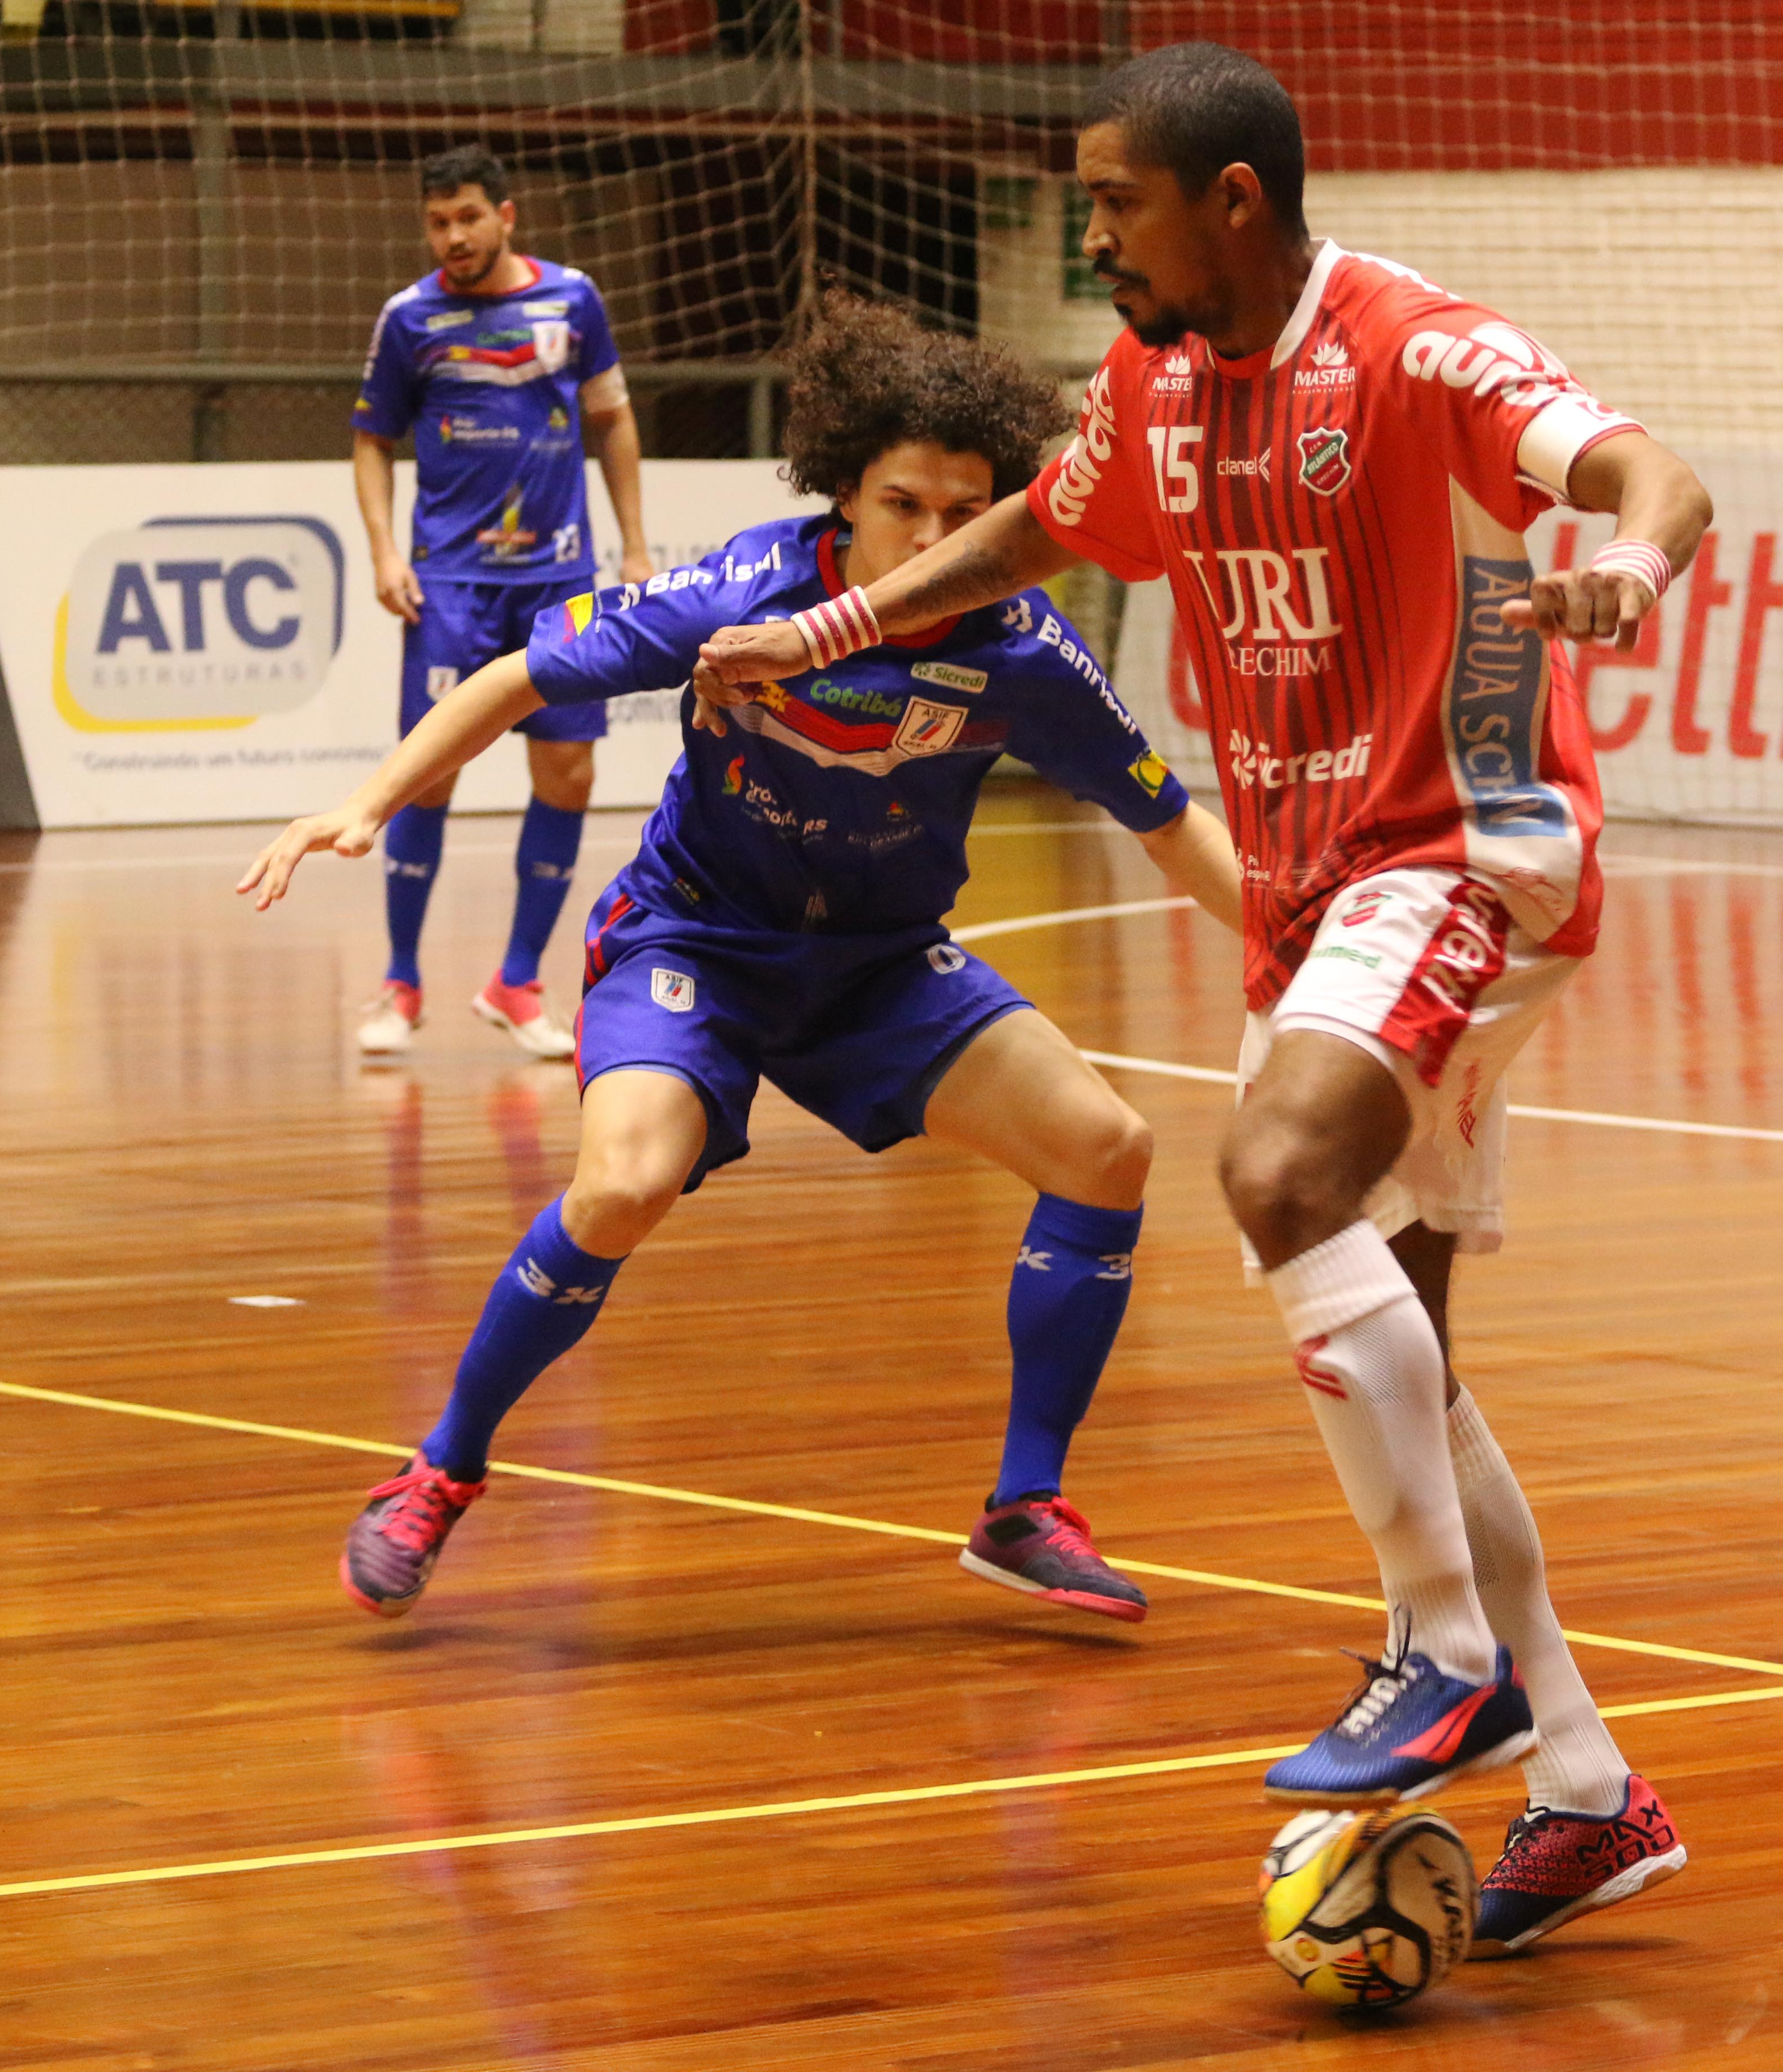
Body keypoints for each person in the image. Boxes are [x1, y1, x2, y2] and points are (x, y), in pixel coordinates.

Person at [696, 43, 1714, 1957]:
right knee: (1406, 1349)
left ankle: (1447, 1655)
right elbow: (1042, 526)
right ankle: (1588, 1789)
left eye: (1116, 202)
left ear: (1231, 200)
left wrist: (1631, 567)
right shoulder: (1153, 385)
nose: (1092, 237)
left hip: (1468, 847)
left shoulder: (1415, 348)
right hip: (1318, 889)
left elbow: (1651, 475)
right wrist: (837, 621)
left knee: (1274, 1176)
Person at [243, 291, 1246, 1629]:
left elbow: (1172, 827)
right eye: (902, 506)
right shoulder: (745, 591)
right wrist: (367, 804)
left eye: (966, 514)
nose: (933, 540)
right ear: (845, 495)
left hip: (880, 967)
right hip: (697, 941)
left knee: (1107, 1149)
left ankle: (1023, 1509)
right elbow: (517, 678)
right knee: (624, 1186)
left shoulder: (1023, 651)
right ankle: (441, 1470)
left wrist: (1308, 951)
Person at [348, 141, 654, 1062]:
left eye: (469, 217)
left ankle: (517, 981)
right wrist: (384, 550)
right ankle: (401, 983)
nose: (453, 236)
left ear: (506, 215)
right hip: (449, 585)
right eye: (437, 222)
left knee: (569, 776)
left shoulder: (574, 300)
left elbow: (612, 418)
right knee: (427, 775)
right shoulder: (409, 318)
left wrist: (636, 544)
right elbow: (371, 440)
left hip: (559, 581)